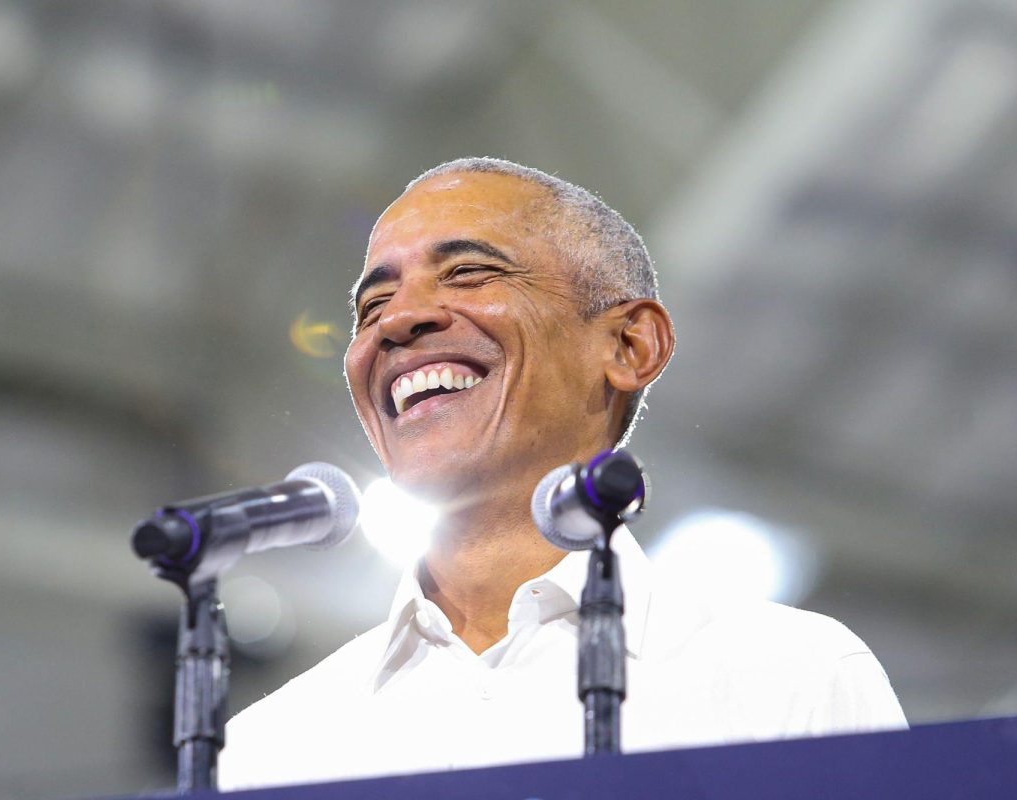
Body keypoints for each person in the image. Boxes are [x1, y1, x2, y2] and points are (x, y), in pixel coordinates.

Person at [218, 158, 906, 790]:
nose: (398, 320)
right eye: (371, 308)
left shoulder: (789, 678)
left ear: (630, 344)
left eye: (467, 274)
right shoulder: (266, 752)